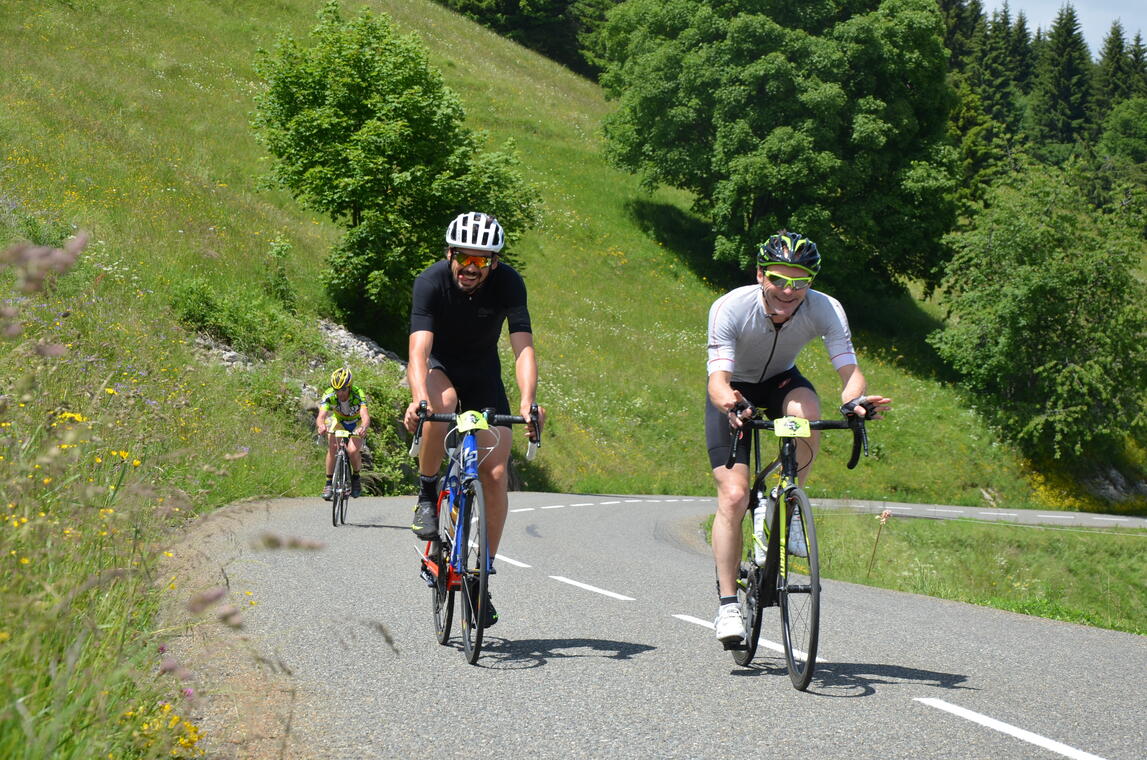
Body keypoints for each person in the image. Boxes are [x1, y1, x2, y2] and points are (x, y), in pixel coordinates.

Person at [705, 231, 891, 644]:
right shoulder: (731, 307)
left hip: (781, 381)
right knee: (734, 496)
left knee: (807, 411)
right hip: (734, 390)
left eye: (801, 281)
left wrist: (855, 400)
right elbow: (717, 379)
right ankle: (727, 605)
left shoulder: (826, 308)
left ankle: (786, 504)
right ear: (761, 275)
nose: (790, 291)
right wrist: (732, 406)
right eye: (779, 279)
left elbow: (848, 369)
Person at [402, 211, 544, 627]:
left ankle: (481, 574)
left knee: (496, 474)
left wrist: (528, 402)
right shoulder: (430, 282)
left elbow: (523, 350)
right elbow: (418, 350)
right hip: (440, 366)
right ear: (450, 253)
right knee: (439, 403)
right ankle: (427, 495)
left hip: (483, 375)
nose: (470, 267)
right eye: (464, 256)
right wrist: (416, 398)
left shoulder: (509, 283)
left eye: (481, 260)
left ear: (494, 263)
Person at [316, 367, 370, 500]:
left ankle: (356, 477)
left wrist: (363, 427)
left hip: (356, 423)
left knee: (352, 451)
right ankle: (329, 483)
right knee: (333, 448)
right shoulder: (329, 395)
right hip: (339, 421)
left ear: (350, 387)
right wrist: (321, 425)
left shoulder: (358, 394)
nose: (340, 393)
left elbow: (365, 416)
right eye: (336, 390)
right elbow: (321, 415)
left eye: (343, 389)